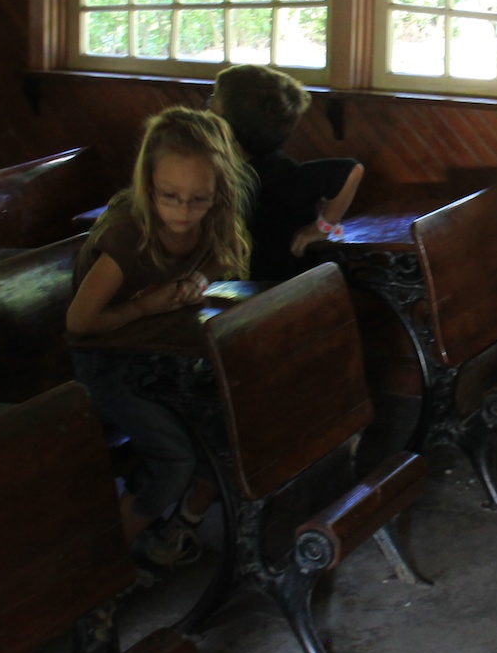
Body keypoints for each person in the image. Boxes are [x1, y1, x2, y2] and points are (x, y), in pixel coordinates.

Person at [66, 107, 252, 567]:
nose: (184, 212)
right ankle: (103, 569)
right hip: (103, 364)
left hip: (157, 355)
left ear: (219, 192)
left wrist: (197, 281)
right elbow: (80, 322)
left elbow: (223, 255)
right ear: (147, 184)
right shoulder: (127, 236)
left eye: (198, 200)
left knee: (224, 428)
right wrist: (146, 307)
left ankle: (173, 534)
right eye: (170, 197)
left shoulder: (210, 218)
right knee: (174, 459)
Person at [209, 63, 363, 282]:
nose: (207, 109)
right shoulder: (230, 165)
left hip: (288, 284)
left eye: (213, 102)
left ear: (228, 123)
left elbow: (351, 170)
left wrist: (322, 227)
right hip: (255, 281)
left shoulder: (279, 174)